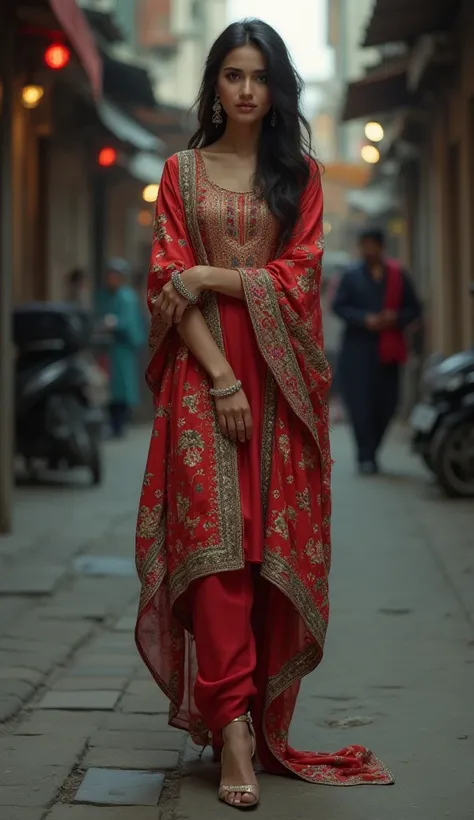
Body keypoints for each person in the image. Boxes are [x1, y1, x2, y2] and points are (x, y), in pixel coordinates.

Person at [135, 19, 393, 810]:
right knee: (211, 549)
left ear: (277, 89)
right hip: (204, 378)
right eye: (232, 75)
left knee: (257, 550)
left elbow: (303, 275)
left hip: (281, 382)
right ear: (213, 84)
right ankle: (234, 732)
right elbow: (167, 284)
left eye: (259, 77)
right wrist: (219, 378)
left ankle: (247, 712)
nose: (246, 90)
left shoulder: (299, 176)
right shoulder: (180, 173)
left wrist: (215, 273)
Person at [332, 228, 422, 474]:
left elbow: (414, 308)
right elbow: (338, 307)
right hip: (357, 351)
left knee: (387, 404)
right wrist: (364, 319)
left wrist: (396, 317)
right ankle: (365, 456)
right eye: (365, 245)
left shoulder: (397, 275)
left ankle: (373, 451)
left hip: (388, 351)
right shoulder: (350, 276)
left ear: (382, 247)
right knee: (360, 406)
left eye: (373, 245)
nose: (368, 250)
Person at [97, 258, 146, 438]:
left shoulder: (126, 297)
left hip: (123, 347)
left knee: (122, 386)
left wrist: (115, 323)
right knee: (109, 387)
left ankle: (120, 423)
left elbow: (129, 322)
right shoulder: (105, 295)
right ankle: (112, 422)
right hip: (109, 348)